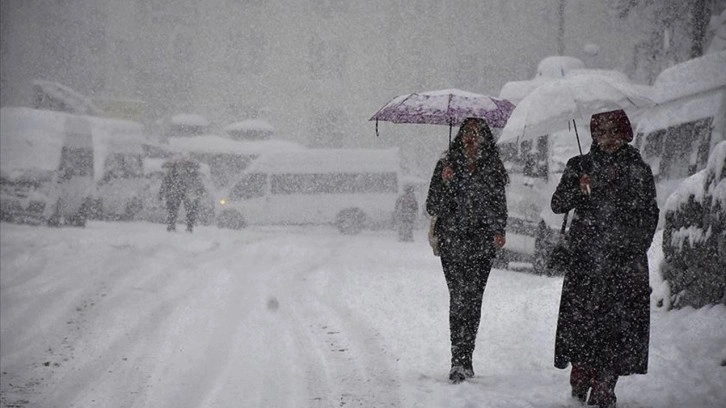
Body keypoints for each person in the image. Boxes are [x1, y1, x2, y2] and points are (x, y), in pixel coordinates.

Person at [551, 109, 659, 408]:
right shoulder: (579, 165)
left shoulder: (638, 169)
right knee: (584, 325)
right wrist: (577, 187)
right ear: (593, 135)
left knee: (617, 328)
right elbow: (557, 204)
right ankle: (581, 374)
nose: (608, 139)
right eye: (601, 132)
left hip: (624, 263)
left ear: (625, 133)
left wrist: (634, 246)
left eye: (614, 132)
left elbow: (650, 214)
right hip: (586, 261)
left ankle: (605, 386)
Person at [425, 117, 508, 383]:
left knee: (473, 300)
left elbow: (499, 205)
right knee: (458, 298)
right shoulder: (446, 165)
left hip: (481, 245)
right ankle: (457, 360)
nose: (471, 138)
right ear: (460, 136)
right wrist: (445, 181)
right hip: (452, 242)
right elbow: (432, 205)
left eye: (477, 133)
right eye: (467, 133)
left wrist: (498, 231)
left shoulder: (492, 168)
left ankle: (466, 356)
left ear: (485, 138)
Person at [159, 157, 206, 232]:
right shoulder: (192, 175)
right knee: (188, 211)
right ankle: (186, 227)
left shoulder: (174, 174)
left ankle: (173, 226)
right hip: (185, 194)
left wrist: (162, 193)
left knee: (174, 210)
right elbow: (199, 184)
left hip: (177, 193)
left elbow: (165, 183)